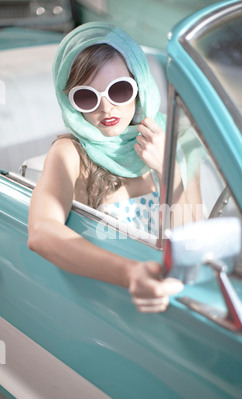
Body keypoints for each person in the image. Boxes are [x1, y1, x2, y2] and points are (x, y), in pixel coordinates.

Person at [28, 22, 184, 312]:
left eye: (120, 90)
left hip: (170, 300)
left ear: (140, 88)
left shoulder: (171, 142)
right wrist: (130, 273)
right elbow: (41, 232)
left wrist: (167, 168)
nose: (106, 107)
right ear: (70, 101)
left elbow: (192, 238)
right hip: (104, 306)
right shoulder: (70, 153)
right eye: (87, 96)